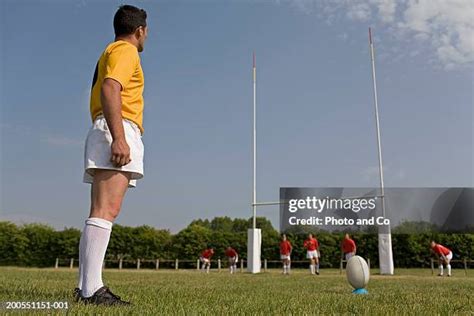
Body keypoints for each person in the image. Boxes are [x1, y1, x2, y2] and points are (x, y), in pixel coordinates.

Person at [75, 4, 148, 306]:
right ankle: (91, 290)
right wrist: (119, 137)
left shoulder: (113, 51)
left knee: (105, 210)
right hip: (116, 128)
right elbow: (110, 88)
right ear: (139, 30)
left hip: (112, 126)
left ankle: (86, 287)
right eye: (147, 31)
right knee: (105, 210)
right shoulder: (125, 50)